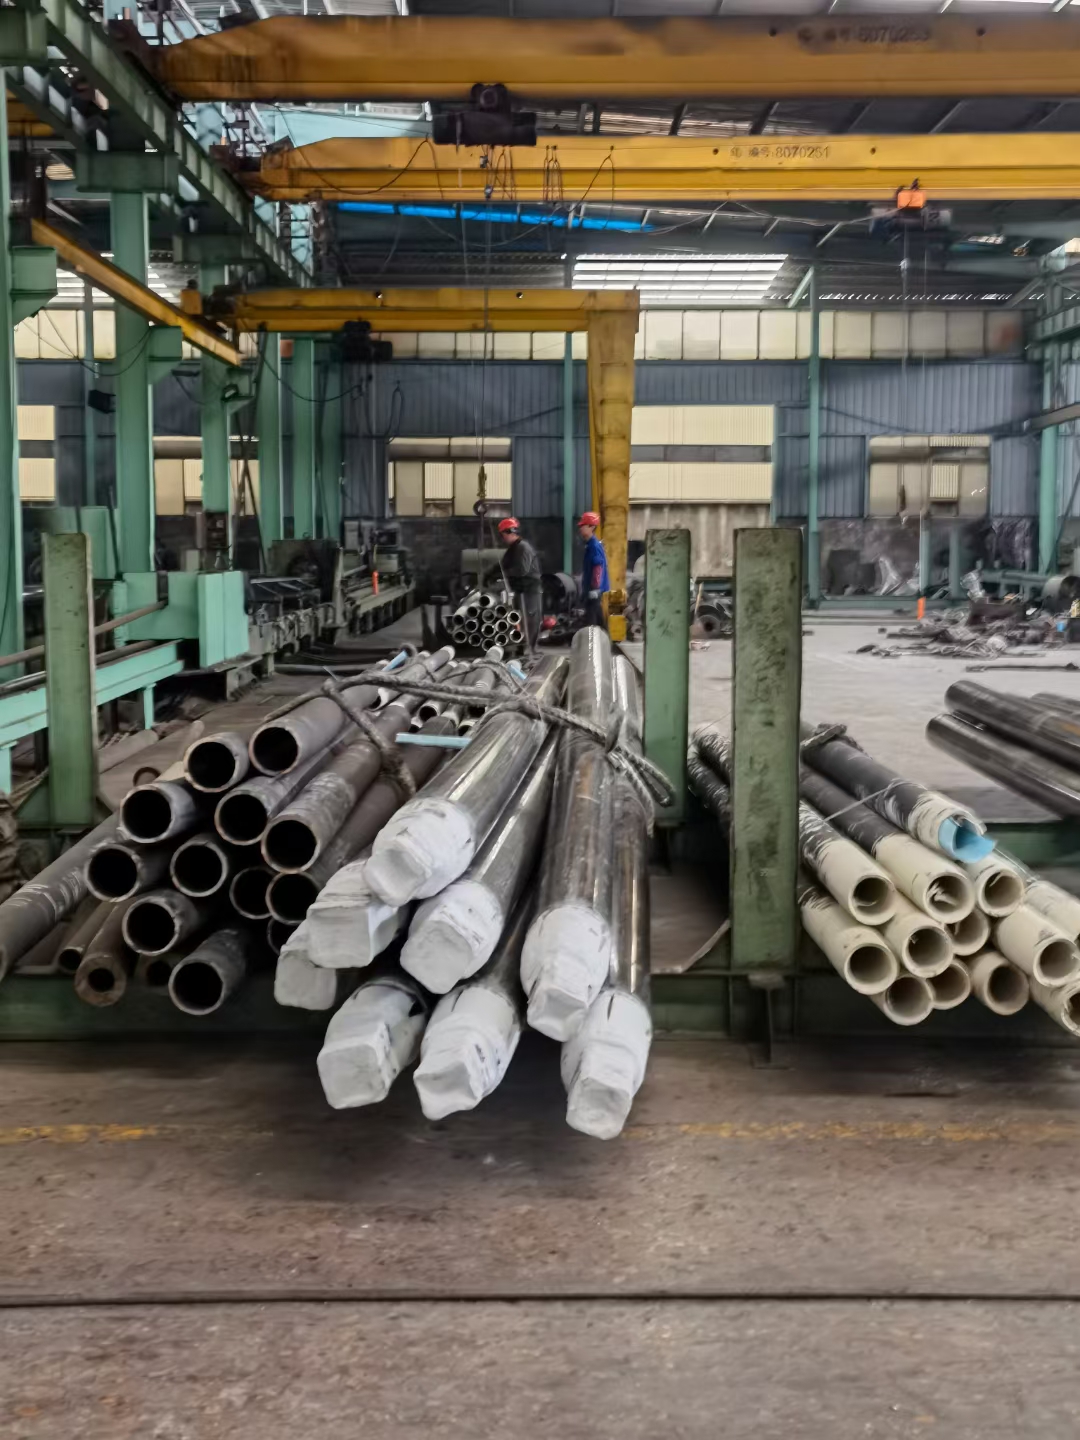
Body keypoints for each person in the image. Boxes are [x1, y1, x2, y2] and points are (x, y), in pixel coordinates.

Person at [496, 516, 543, 653]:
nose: (502, 538)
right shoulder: (513, 549)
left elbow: (522, 570)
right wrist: (490, 574)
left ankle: (529, 649)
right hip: (520, 589)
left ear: (510, 532)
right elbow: (502, 565)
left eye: (503, 534)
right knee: (518, 618)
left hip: (530, 590)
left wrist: (504, 574)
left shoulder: (523, 547)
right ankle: (522, 647)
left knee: (530, 618)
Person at [578, 511, 609, 630]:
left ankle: (593, 641)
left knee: (592, 622)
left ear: (592, 527)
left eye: (583, 525)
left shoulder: (594, 546)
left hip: (594, 591)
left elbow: (598, 567)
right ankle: (606, 639)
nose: (581, 528)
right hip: (591, 590)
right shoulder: (590, 545)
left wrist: (595, 588)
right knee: (598, 619)